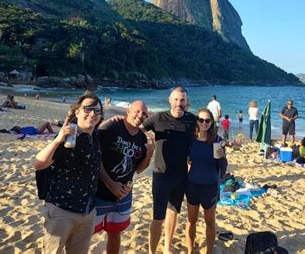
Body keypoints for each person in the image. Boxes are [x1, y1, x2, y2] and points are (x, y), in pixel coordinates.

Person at [33, 93, 103, 253]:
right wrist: (58, 139)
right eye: (88, 109)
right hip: (61, 210)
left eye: (97, 111)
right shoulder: (68, 138)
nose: (92, 113)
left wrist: (118, 119)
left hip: (88, 211)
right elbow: (38, 164)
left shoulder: (96, 136)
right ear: (77, 112)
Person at [94, 100, 155, 254]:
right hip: (99, 192)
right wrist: (110, 184)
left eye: (145, 114)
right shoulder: (112, 126)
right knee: (86, 233)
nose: (141, 116)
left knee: (115, 233)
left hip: (123, 195)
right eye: (138, 111)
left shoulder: (142, 138)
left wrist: (149, 154)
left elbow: (139, 169)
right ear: (128, 111)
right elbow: (95, 157)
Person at [141, 86, 197, 254]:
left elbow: (204, 137)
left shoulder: (192, 120)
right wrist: (146, 146)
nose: (179, 103)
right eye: (176, 99)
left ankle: (166, 248)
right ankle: (152, 251)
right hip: (161, 175)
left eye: (182, 100)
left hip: (181, 175)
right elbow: (137, 129)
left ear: (187, 102)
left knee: (173, 212)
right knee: (158, 216)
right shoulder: (158, 118)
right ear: (170, 100)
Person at [185, 108, 227, 254]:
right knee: (191, 221)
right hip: (192, 185)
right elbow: (187, 159)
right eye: (201, 120)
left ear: (211, 122)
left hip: (210, 187)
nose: (204, 123)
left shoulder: (217, 140)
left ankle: (209, 251)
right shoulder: (191, 140)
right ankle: (190, 250)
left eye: (207, 120)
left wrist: (222, 157)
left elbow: (222, 168)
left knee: (210, 223)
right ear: (197, 121)